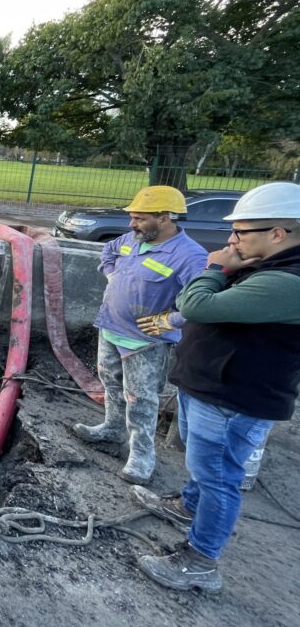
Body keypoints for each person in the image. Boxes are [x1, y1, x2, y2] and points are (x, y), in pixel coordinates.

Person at [134, 182, 300, 593]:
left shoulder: (287, 281)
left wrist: (214, 268)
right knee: (203, 466)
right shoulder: (265, 267)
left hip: (234, 397)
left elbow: (197, 305)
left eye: (241, 233)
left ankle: (200, 561)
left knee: (218, 477)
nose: (231, 240)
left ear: (278, 233)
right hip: (212, 385)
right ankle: (188, 506)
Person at [72, 185, 208, 484]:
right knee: (110, 383)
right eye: (132, 217)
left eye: (139, 218)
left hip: (145, 343)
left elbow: (202, 300)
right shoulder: (131, 240)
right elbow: (108, 251)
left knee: (141, 399)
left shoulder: (190, 256)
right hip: (110, 328)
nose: (131, 224)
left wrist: (171, 320)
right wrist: (111, 274)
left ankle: (141, 455)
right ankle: (112, 429)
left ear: (164, 217)